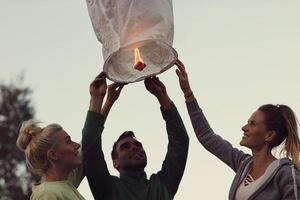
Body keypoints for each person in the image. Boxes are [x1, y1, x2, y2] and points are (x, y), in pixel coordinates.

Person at [174, 59, 300, 200]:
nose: (244, 128)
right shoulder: (243, 164)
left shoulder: (286, 173)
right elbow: (206, 137)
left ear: (269, 135)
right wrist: (187, 93)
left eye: (252, 124)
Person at [82, 74, 189, 200]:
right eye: (125, 147)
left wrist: (162, 96)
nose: (134, 148)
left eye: (138, 145)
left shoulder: (162, 184)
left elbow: (180, 141)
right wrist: (96, 98)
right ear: (115, 163)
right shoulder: (108, 188)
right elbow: (90, 148)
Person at [16, 121, 85, 199]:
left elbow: (89, 139)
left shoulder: (63, 184)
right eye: (68, 141)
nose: (77, 145)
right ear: (53, 155)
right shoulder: (46, 194)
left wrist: (99, 116)